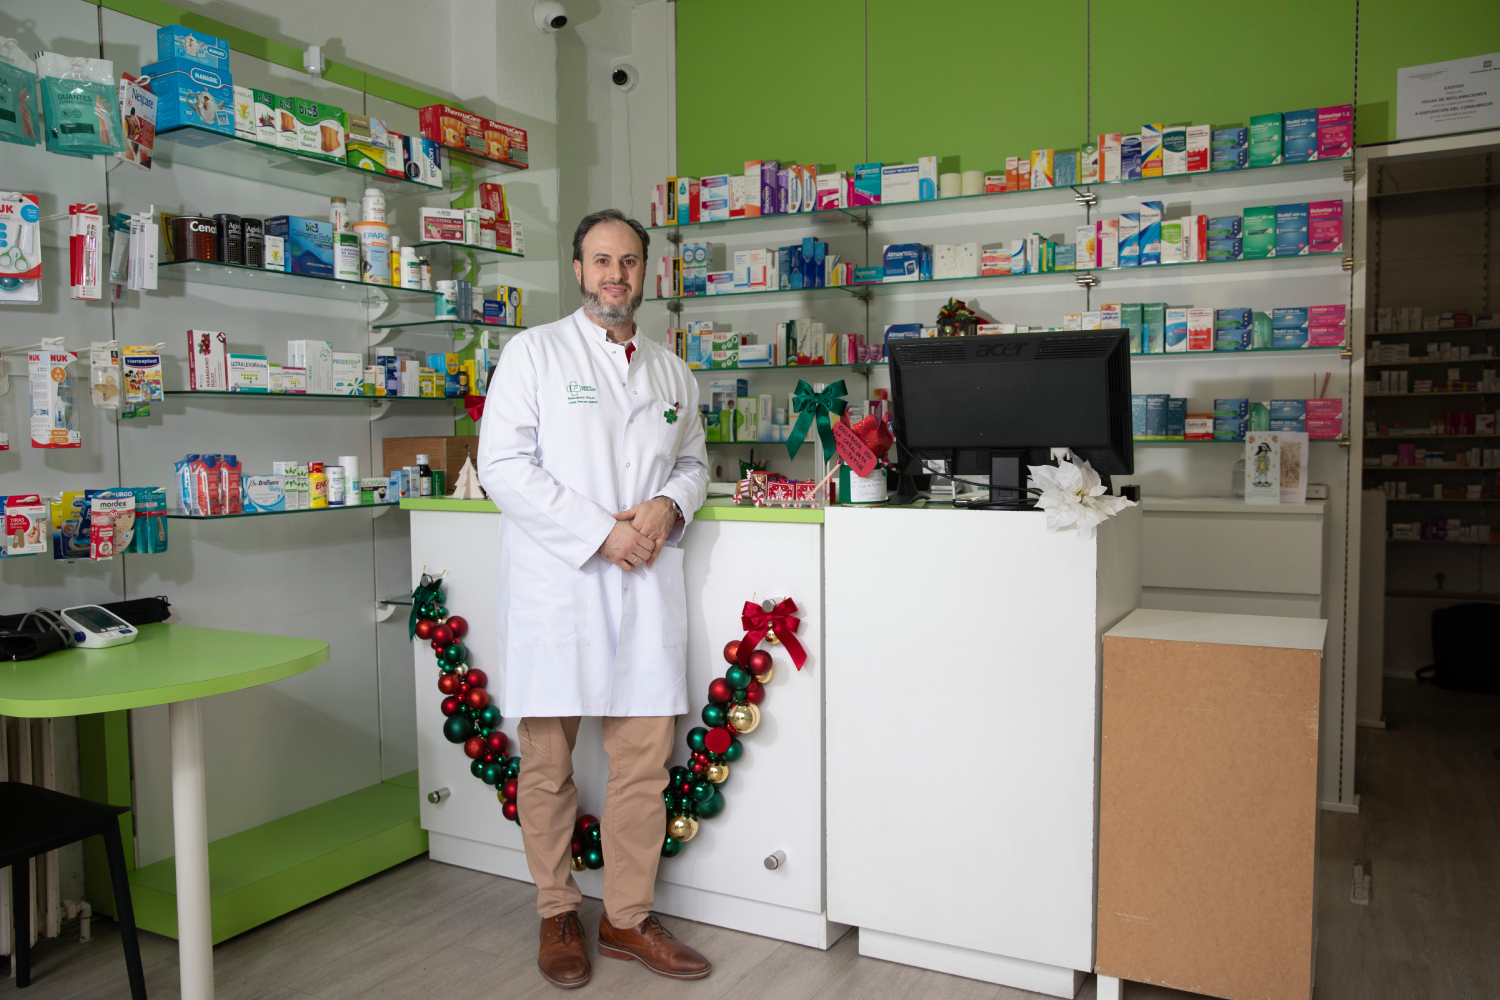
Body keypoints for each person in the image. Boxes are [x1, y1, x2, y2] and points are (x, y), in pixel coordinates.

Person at [476, 209, 711, 989]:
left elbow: (694, 462)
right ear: (578, 269)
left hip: (645, 588)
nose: (617, 274)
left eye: (631, 261)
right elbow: (504, 466)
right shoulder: (534, 352)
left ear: (648, 272)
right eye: (602, 260)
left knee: (643, 762)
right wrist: (599, 533)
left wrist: (667, 507)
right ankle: (555, 913)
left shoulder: (673, 370)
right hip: (562, 586)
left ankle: (625, 919)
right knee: (547, 765)